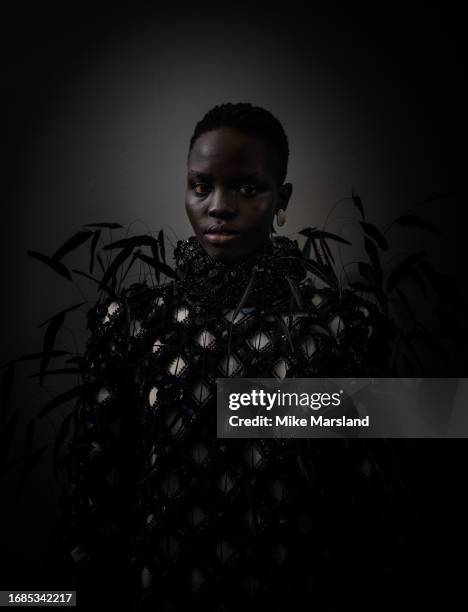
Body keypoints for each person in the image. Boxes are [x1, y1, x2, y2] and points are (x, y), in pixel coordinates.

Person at [63, 103, 397, 610]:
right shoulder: (134, 323)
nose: (218, 205)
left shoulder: (339, 327)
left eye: (246, 187)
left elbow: (364, 510)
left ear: (281, 199)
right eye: (201, 185)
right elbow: (100, 499)